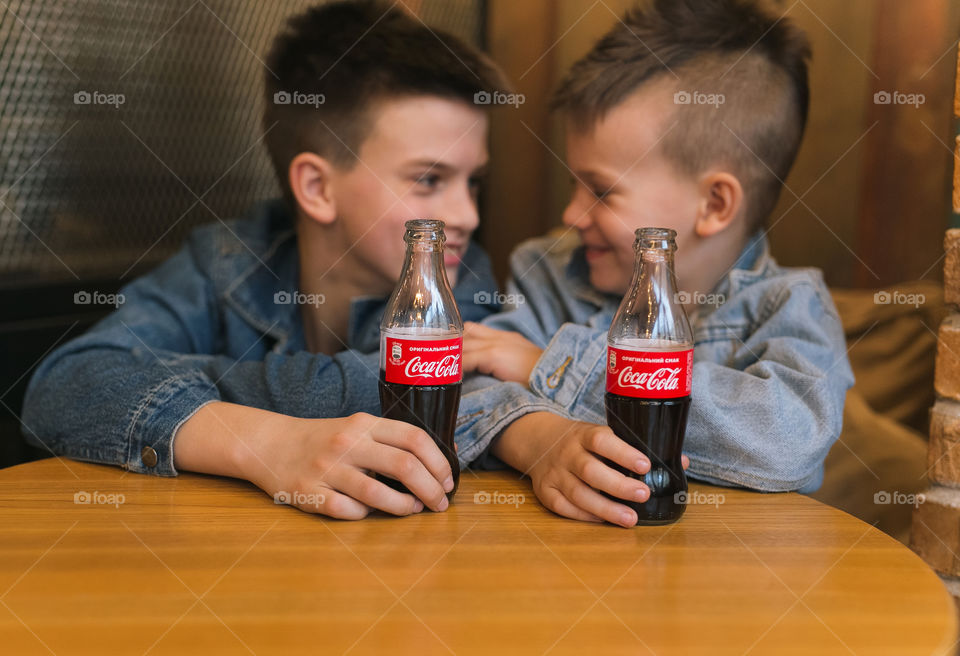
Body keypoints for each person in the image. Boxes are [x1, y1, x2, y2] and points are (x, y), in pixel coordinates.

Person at [22, 0, 508, 520]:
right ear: (318, 187)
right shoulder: (226, 261)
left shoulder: (465, 281)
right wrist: (268, 441)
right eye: (429, 179)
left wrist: (201, 391)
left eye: (472, 181)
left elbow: (459, 408)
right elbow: (62, 387)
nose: (467, 214)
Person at [457, 0, 854, 528]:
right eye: (574, 184)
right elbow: (469, 382)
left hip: (731, 581)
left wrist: (553, 366)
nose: (572, 213)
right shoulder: (552, 275)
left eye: (600, 191)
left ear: (714, 205)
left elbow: (789, 438)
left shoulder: (791, 305)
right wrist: (537, 441)